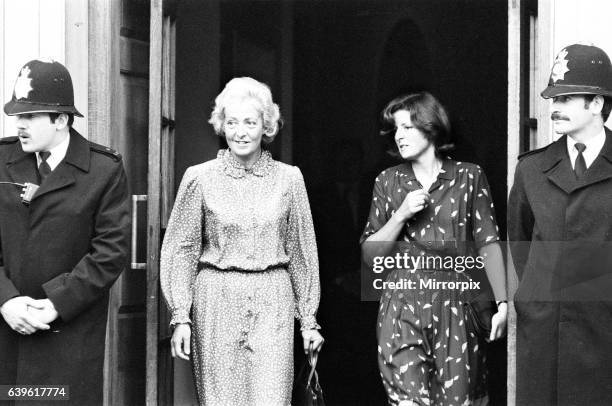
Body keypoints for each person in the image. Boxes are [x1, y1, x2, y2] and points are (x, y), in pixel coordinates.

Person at [160, 77, 324, 405]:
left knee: (272, 398)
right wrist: (181, 316)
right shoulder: (199, 178)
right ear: (221, 126)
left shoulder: (289, 179)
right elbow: (182, 248)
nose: (240, 132)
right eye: (231, 122)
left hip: (272, 301)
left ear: (267, 126)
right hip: (216, 303)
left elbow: (301, 250)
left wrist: (308, 320)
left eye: (250, 122)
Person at [360, 92, 507, 405]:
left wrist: (503, 303)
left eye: (407, 127)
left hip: (457, 308)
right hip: (402, 307)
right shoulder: (388, 182)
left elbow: (489, 243)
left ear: (430, 126)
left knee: (460, 400)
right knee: (407, 401)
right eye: (395, 129)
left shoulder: (469, 176)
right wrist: (400, 214)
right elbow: (370, 256)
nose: (399, 135)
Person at [0, 59, 130, 405]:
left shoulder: (103, 170)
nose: (20, 126)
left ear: (61, 120)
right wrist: (6, 298)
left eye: (30, 117)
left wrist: (58, 302)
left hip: (67, 334)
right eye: (17, 117)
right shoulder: (1, 160)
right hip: (6, 329)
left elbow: (110, 252)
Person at [508, 44, 612, 405]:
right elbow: (519, 247)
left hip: (604, 336)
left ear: (597, 103)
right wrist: (535, 300)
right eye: (554, 98)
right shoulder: (531, 170)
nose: (554, 107)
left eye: (567, 98)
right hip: (544, 337)